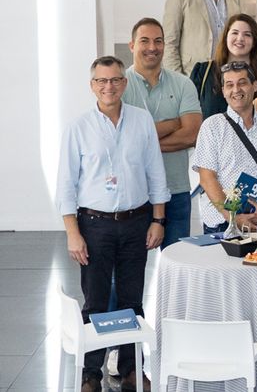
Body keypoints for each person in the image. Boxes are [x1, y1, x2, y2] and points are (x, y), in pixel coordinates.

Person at [58, 57, 170, 392]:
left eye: (116, 80)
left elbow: (155, 172)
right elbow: (66, 184)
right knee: (94, 301)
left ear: (125, 83)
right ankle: (91, 372)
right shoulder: (78, 128)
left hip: (137, 222)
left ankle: (132, 368)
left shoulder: (141, 120)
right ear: (92, 85)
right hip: (94, 225)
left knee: (132, 299)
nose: (109, 86)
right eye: (102, 81)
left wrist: (158, 219)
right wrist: (72, 233)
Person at [122, 19, 201, 246]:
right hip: (134, 194)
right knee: (127, 272)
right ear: (131, 45)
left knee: (177, 267)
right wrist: (174, 124)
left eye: (158, 41)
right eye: (144, 41)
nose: (152, 47)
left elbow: (192, 134)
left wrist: (142, 141)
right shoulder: (120, 86)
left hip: (175, 190)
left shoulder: (183, 84)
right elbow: (123, 139)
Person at [194, 62, 257, 234]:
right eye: (229, 85)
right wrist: (233, 218)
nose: (236, 90)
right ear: (223, 91)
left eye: (242, 82)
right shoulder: (212, 126)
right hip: (223, 225)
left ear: (254, 85)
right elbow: (207, 178)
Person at [191, 14, 257, 118]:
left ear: (254, 41)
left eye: (247, 34)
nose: (240, 38)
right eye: (235, 33)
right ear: (226, 37)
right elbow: (189, 114)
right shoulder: (203, 72)